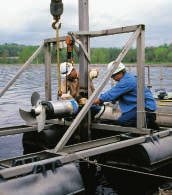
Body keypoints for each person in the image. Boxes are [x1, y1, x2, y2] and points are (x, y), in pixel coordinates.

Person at [93, 61, 159, 129]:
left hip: (145, 107)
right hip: (139, 105)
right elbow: (116, 94)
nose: (112, 78)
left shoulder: (126, 81)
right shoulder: (127, 78)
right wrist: (103, 100)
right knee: (124, 119)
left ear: (120, 73)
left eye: (113, 76)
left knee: (123, 121)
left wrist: (92, 102)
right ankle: (146, 119)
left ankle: (148, 122)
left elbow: (111, 94)